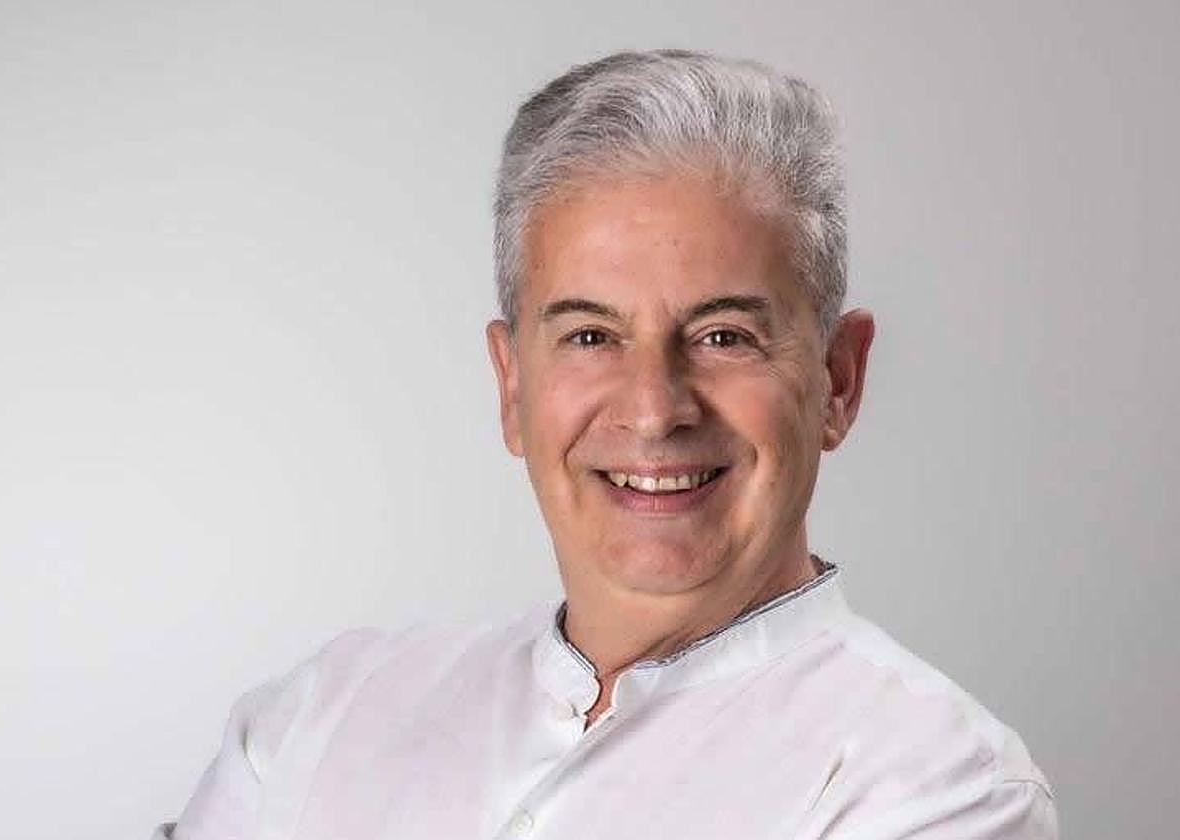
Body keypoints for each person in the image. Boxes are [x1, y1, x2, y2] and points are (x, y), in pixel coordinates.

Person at [155, 49, 1057, 839]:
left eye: (724, 336)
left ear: (838, 380)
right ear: (514, 386)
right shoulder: (319, 720)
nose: (655, 410)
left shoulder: (940, 788)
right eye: (590, 335)